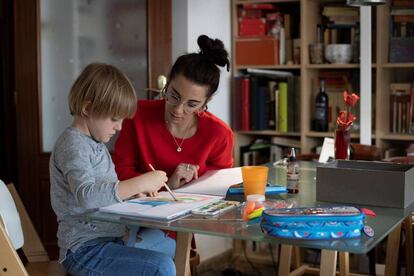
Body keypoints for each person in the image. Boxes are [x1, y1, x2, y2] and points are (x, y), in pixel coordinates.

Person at [49, 63, 176, 276]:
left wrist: (135, 193)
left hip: (112, 238)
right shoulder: (73, 146)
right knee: (161, 267)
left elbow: (105, 194)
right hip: (84, 250)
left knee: (170, 246)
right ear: (88, 109)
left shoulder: (96, 145)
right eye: (114, 119)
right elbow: (87, 196)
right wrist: (139, 182)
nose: (119, 127)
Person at [112, 34, 234, 255]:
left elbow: (218, 194)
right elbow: (119, 173)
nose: (178, 110)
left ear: (207, 102)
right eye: (174, 96)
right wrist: (168, 185)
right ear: (167, 85)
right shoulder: (137, 115)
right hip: (128, 217)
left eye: (192, 104)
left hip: (179, 228)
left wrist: (181, 188)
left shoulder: (219, 134)